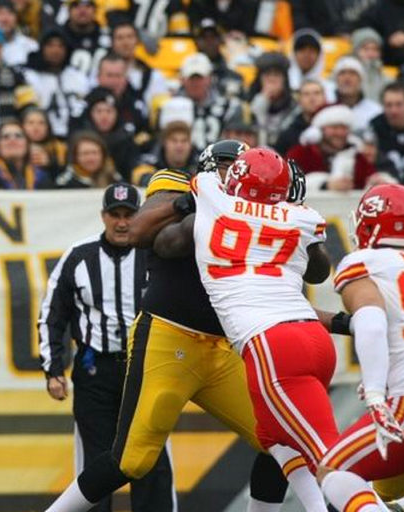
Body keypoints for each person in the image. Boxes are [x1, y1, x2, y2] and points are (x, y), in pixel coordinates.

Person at [44, 141, 332, 512]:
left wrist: (289, 213)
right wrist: (202, 201)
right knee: (132, 460)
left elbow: (315, 271)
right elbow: (144, 234)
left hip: (224, 346)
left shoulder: (262, 211)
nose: (239, 176)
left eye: (243, 169)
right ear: (211, 169)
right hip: (169, 336)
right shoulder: (181, 185)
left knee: (281, 439)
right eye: (231, 167)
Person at [39, 182, 176, 512]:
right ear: (103, 216)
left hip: (145, 369)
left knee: (150, 456)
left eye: (129, 214)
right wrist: (53, 370)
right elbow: (51, 313)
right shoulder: (79, 256)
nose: (122, 222)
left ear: (139, 215)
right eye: (114, 214)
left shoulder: (156, 253)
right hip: (94, 369)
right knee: (96, 459)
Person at [316, 184, 404, 512]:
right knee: (386, 484)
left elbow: (371, 321)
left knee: (335, 471)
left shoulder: (367, 262)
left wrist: (375, 393)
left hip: (403, 401)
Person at [0, 121, 51, 189]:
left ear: (27, 144)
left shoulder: (40, 176)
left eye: (18, 136)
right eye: (5, 137)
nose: (12, 140)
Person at [372, 82, 404, 182]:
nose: (394, 110)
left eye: (399, 104)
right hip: (388, 190)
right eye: (388, 105)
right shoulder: (374, 128)